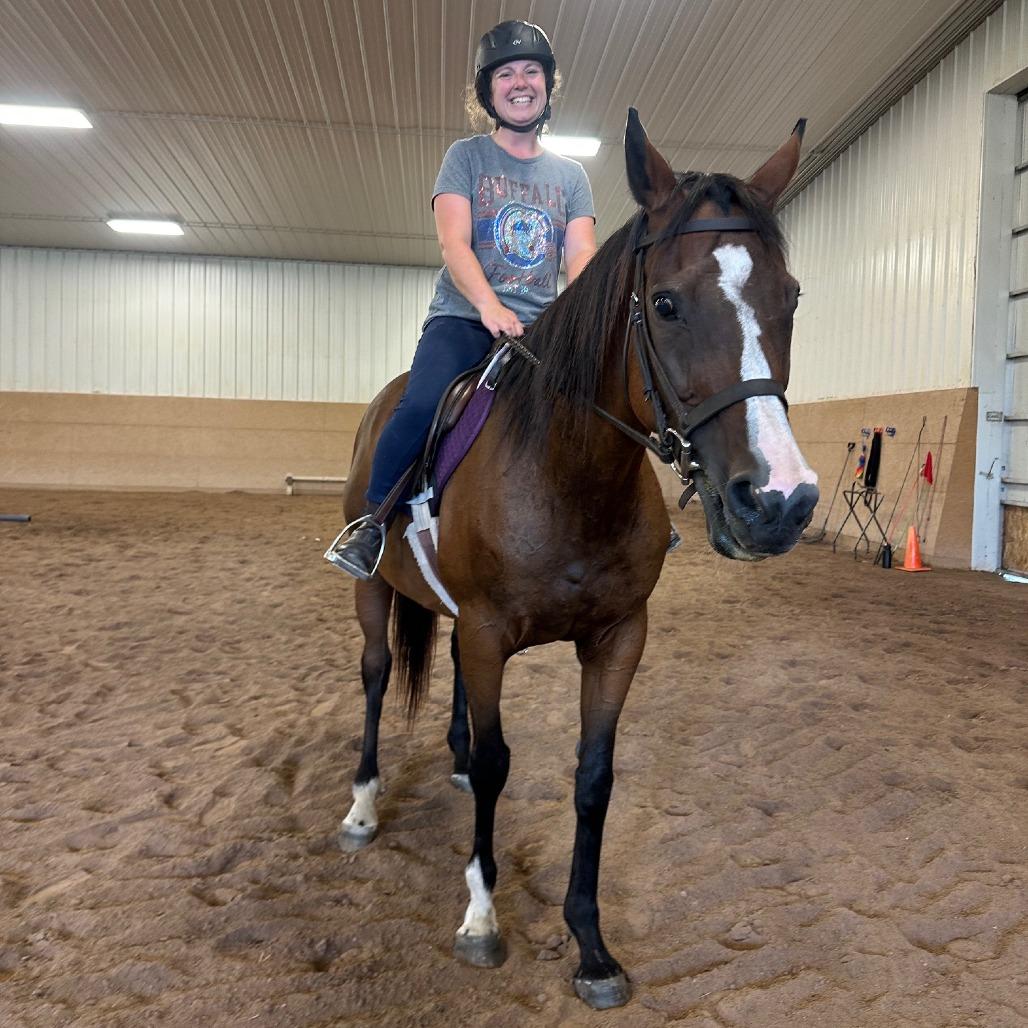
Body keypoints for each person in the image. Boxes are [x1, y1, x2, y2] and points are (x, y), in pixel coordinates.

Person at [326, 19, 597, 580]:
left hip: (540, 332)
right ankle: (373, 521)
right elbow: (453, 240)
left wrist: (585, 321)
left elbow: (582, 256)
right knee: (422, 404)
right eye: (506, 74)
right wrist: (488, 306)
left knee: (602, 402)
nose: (520, 82)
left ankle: (628, 518)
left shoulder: (571, 177)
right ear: (488, 90)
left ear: (547, 85)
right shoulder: (466, 157)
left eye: (531, 71)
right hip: (463, 319)